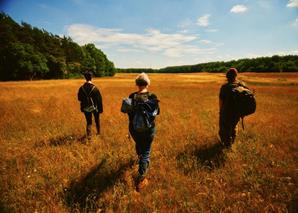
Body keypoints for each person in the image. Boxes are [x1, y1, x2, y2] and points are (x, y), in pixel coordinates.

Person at [126, 73, 160, 191]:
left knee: (139, 144)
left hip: (134, 128)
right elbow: (157, 112)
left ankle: (140, 158)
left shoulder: (132, 96)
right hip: (149, 128)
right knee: (146, 151)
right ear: (147, 83)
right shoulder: (152, 96)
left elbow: (128, 113)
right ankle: (141, 178)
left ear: (137, 84)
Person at [219, 68, 246, 148]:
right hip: (237, 112)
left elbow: (221, 101)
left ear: (227, 76)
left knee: (224, 129)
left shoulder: (224, 87)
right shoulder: (241, 85)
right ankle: (232, 142)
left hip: (226, 112)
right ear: (236, 75)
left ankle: (226, 145)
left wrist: (221, 111)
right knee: (233, 127)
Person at [78, 72, 103, 140]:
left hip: (85, 107)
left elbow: (79, 98)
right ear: (91, 77)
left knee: (89, 121)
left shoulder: (81, 88)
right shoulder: (95, 88)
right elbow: (99, 100)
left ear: (85, 78)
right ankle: (98, 133)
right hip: (95, 108)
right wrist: (100, 109)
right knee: (97, 120)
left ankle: (89, 135)